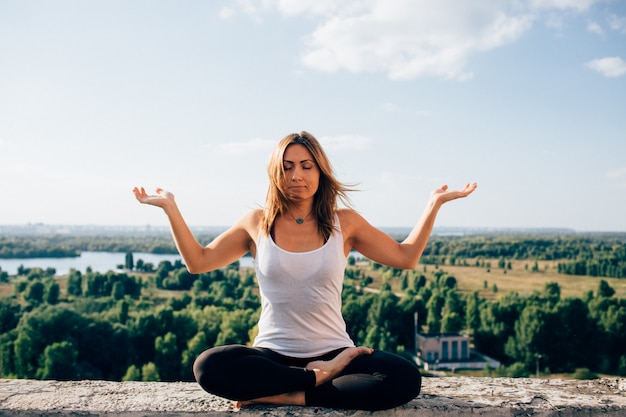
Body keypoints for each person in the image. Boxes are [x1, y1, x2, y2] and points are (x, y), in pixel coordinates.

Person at [133, 131, 477, 411]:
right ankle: (312, 381)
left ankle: (292, 393)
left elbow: (406, 257)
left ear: (320, 171)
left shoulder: (346, 223)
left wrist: (433, 204)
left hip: (335, 352)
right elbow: (199, 262)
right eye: (286, 167)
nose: (296, 175)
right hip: (272, 356)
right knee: (208, 366)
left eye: (306, 165)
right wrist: (170, 208)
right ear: (276, 173)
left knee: (404, 378)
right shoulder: (257, 223)